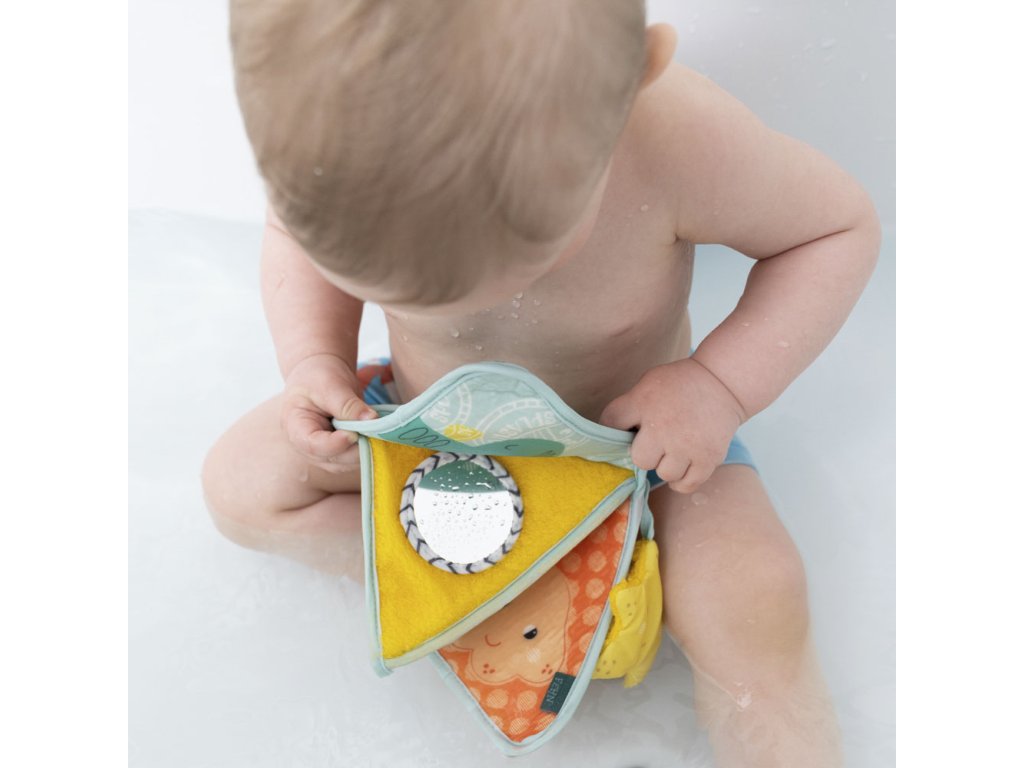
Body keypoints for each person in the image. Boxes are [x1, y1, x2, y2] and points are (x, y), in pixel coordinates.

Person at [202, 1, 879, 765]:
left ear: (633, 79)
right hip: (427, 433)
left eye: (526, 261)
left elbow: (836, 230)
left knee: (755, 600)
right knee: (241, 483)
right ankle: (495, 585)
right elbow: (292, 236)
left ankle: (563, 585)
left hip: (644, 457)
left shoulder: (679, 140)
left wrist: (715, 387)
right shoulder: (340, 140)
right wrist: (314, 361)